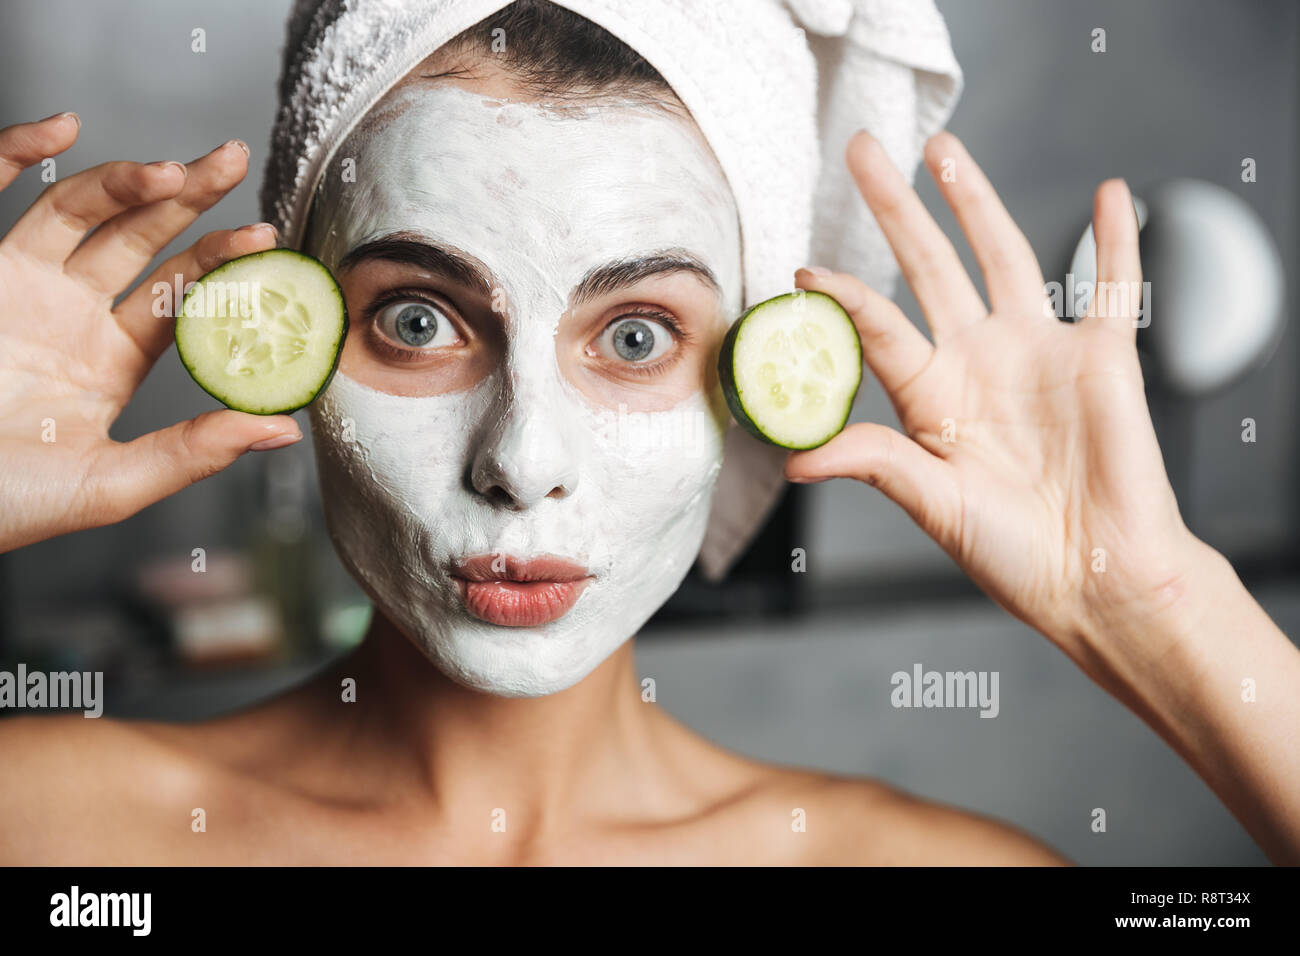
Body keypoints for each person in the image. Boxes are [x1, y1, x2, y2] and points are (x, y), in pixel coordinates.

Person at [0, 0, 1297, 866]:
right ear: (291, 332)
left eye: (634, 338)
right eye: (416, 320)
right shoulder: (55, 829)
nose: (521, 464)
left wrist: (1163, 614)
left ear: (753, 370)